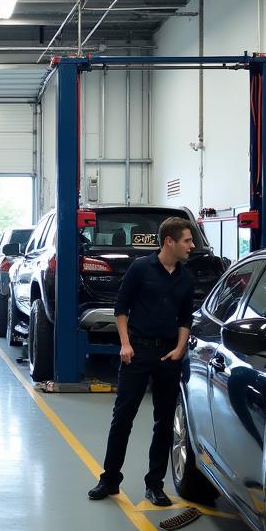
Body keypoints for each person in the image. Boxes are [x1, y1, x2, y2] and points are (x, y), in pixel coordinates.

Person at [88, 216, 197, 508]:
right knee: (123, 417)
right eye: (187, 240)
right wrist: (124, 343)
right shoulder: (140, 269)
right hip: (136, 351)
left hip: (168, 356)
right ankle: (109, 479)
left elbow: (186, 318)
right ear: (169, 242)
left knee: (163, 422)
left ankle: (155, 485)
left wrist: (179, 348)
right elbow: (120, 308)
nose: (192, 245)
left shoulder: (187, 278)